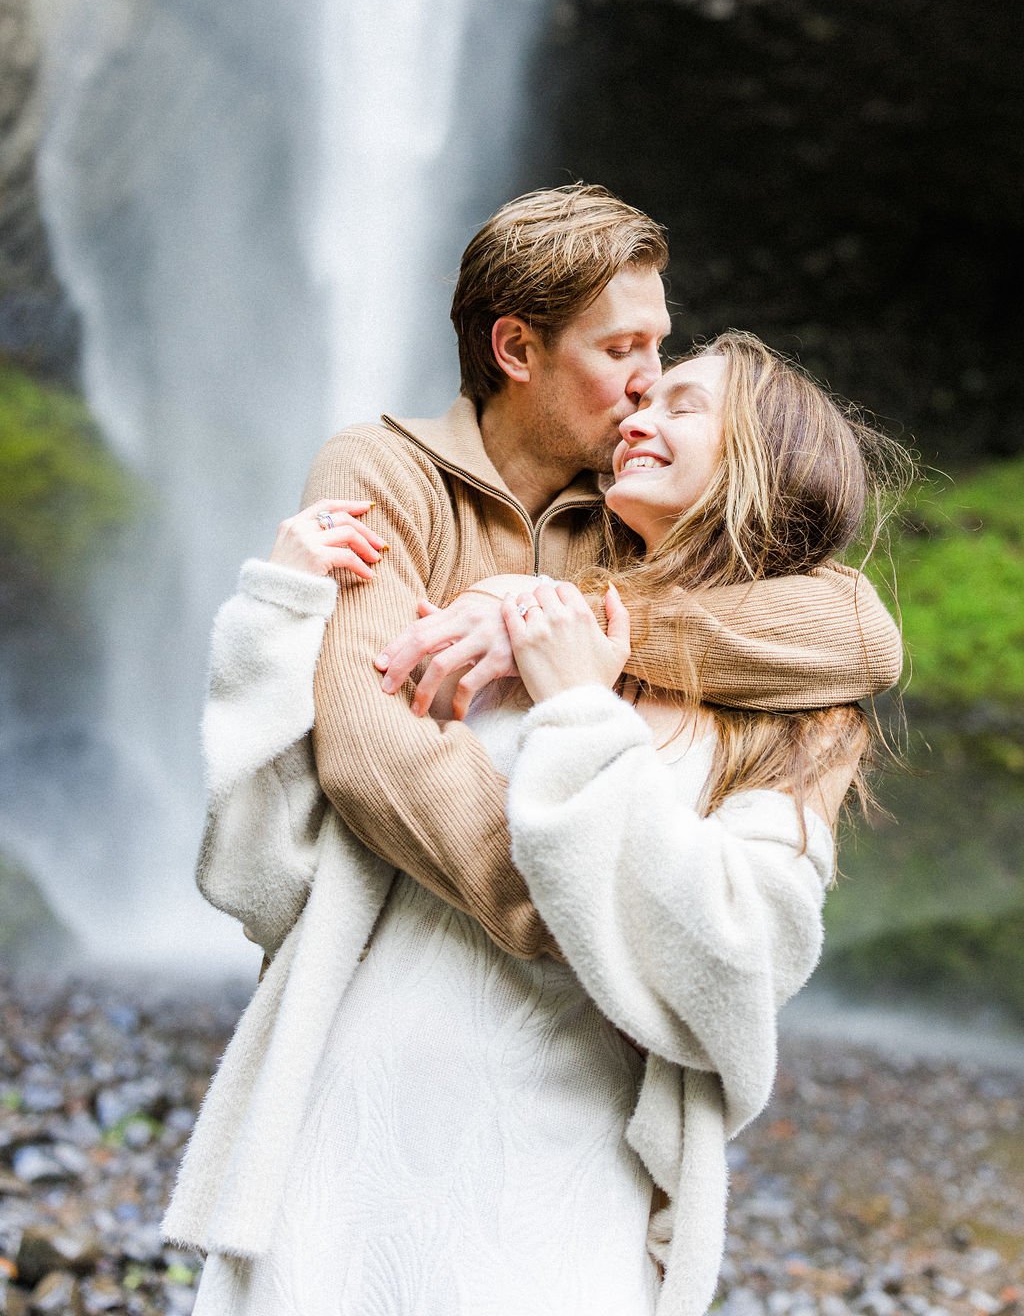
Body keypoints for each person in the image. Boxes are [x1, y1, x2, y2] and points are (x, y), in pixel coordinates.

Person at [163, 327, 909, 1316]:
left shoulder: (798, 722)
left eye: (682, 404)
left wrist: (579, 713)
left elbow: (740, 965)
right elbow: (265, 884)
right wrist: (276, 622)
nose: (639, 412)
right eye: (641, 396)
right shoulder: (505, 622)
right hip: (338, 1152)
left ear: (766, 460)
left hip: (558, 1185)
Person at [270, 184, 901, 966]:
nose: (648, 381)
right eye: (619, 349)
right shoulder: (384, 470)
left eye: (658, 346)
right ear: (516, 351)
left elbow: (859, 635)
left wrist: (541, 619)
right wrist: (584, 916)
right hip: (406, 981)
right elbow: (373, 747)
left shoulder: (639, 507)